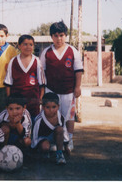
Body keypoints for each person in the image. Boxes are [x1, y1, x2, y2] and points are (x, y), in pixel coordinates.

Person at [39, 21, 83, 152]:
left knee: (68, 116)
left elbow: (78, 71)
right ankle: (54, 140)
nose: (59, 38)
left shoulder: (73, 51)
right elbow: (42, 73)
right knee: (51, 116)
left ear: (66, 36)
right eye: (56, 35)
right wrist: (43, 92)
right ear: (51, 37)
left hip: (68, 90)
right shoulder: (46, 52)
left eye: (62, 35)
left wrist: (78, 87)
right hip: (51, 90)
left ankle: (69, 139)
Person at [4, 34, 46, 120]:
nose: (28, 47)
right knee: (18, 122)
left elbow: (42, 83)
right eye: (25, 44)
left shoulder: (37, 61)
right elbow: (8, 83)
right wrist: (9, 100)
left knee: (33, 121)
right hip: (17, 100)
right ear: (19, 46)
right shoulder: (13, 61)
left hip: (33, 100)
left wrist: (40, 99)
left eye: (31, 44)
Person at [31, 92, 69, 165]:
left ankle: (59, 154)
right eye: (48, 107)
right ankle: (45, 152)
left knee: (60, 129)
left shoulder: (61, 118)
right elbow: (34, 136)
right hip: (43, 139)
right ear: (43, 107)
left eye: (54, 107)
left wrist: (66, 145)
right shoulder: (39, 119)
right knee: (45, 147)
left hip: (55, 138)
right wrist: (34, 149)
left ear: (58, 106)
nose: (51, 110)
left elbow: (65, 132)